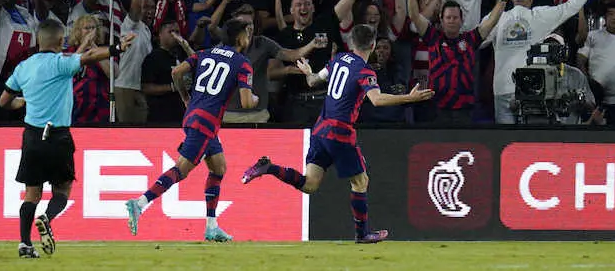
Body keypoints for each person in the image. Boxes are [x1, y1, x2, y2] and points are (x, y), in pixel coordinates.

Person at [240, 23, 433, 243]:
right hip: (340, 133)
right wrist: (410, 98)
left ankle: (269, 167)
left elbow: (313, 81)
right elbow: (377, 100)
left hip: (320, 130)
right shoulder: (365, 71)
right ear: (372, 45)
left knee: (310, 184)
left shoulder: (338, 59)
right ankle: (362, 234)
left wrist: (308, 72)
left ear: (352, 42)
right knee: (360, 182)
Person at [0, 18, 134, 258]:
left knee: (32, 193)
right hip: (58, 136)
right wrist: (116, 48)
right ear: (61, 41)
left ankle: (24, 244)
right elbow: (88, 58)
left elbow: (4, 101)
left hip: (31, 137)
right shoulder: (61, 63)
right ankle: (47, 218)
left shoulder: (23, 67)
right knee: (63, 188)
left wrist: (22, 101)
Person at [125, 18, 258, 243]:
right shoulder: (242, 63)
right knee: (181, 170)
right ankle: (139, 203)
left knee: (219, 168)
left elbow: (176, 72)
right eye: (247, 33)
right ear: (239, 37)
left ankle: (212, 226)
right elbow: (246, 103)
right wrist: (255, 99)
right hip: (206, 123)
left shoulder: (204, 53)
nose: (249, 37)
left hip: (195, 116)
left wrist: (186, 97)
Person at [490, 0, 605, 124]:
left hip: (501, 89)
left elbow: (479, 39)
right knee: (526, 145)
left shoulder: (497, 19)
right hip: (528, 91)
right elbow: (569, 7)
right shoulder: (538, 16)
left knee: (504, 143)